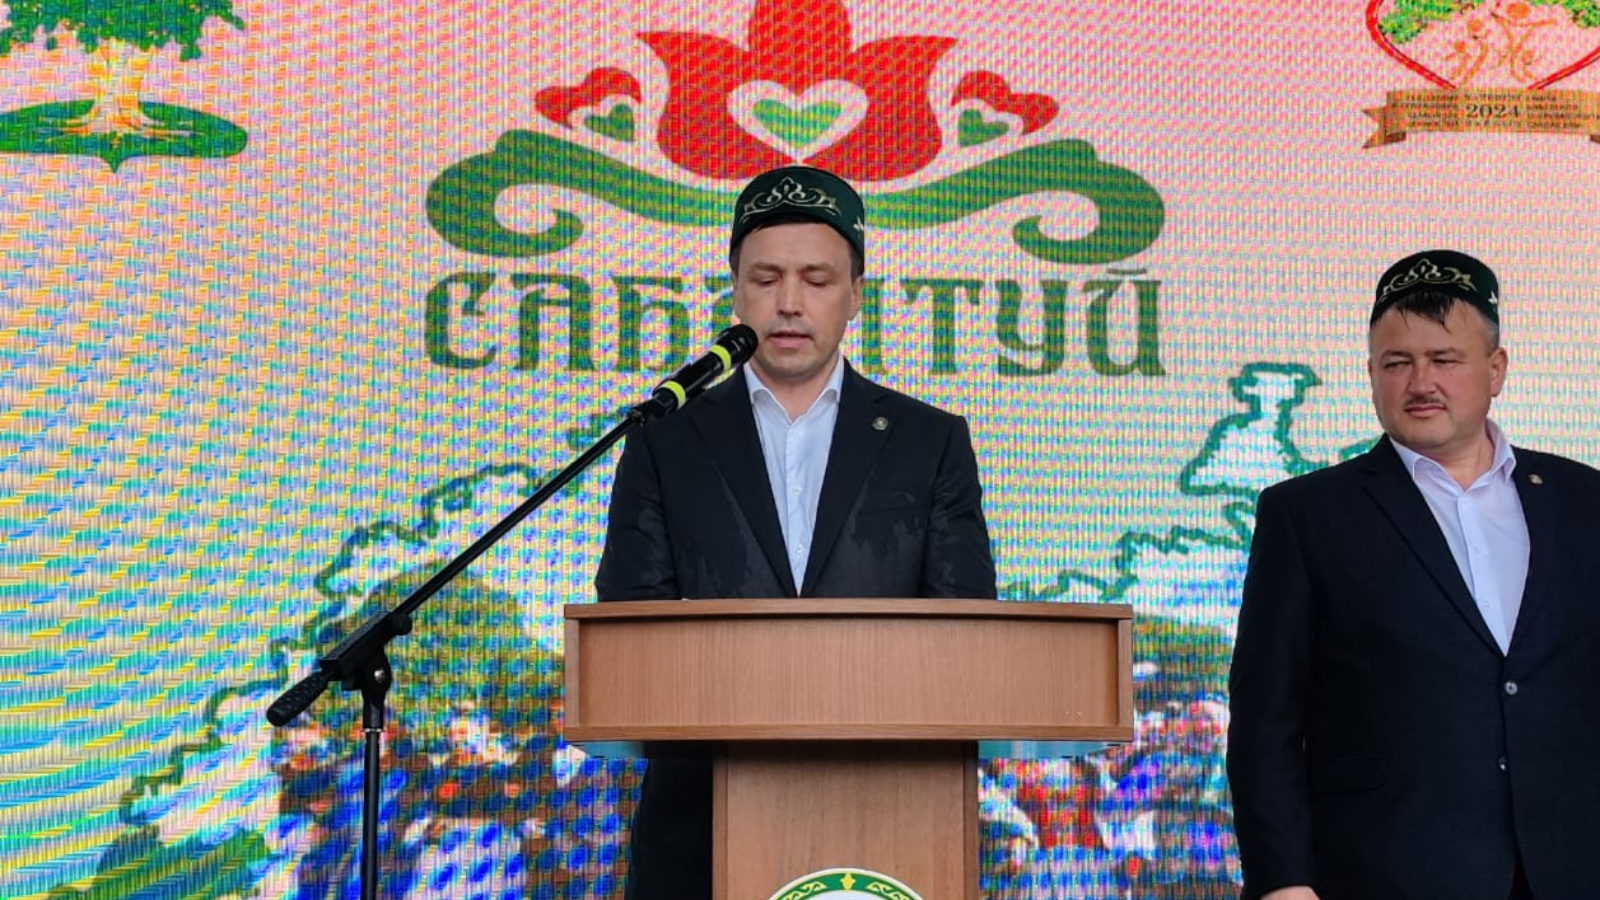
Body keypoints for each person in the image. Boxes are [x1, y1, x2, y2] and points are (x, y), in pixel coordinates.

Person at [594, 165, 998, 900]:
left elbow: (965, 631)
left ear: (855, 295)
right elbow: (631, 632)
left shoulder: (929, 442)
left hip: (891, 818)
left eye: (816, 279)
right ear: (735, 290)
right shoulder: (665, 438)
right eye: (766, 278)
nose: (788, 302)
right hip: (698, 829)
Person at [1226, 250, 1600, 900]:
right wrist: (1283, 882)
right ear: (1371, 375)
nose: (1420, 382)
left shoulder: (1583, 502)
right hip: (1383, 873)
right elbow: (1266, 723)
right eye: (1397, 363)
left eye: (1444, 360)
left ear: (1496, 369)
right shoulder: (1307, 515)